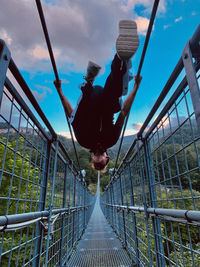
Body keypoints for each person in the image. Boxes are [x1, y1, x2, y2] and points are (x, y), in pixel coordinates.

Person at [54, 20, 142, 171]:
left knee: (78, 115)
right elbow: (124, 113)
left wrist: (59, 91)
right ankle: (120, 59)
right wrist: (136, 87)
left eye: (96, 162)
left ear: (92, 158)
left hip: (91, 98)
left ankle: (88, 81)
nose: (98, 159)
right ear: (107, 157)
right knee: (114, 96)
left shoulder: (84, 141)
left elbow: (70, 114)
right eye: (102, 162)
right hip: (107, 101)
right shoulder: (112, 139)